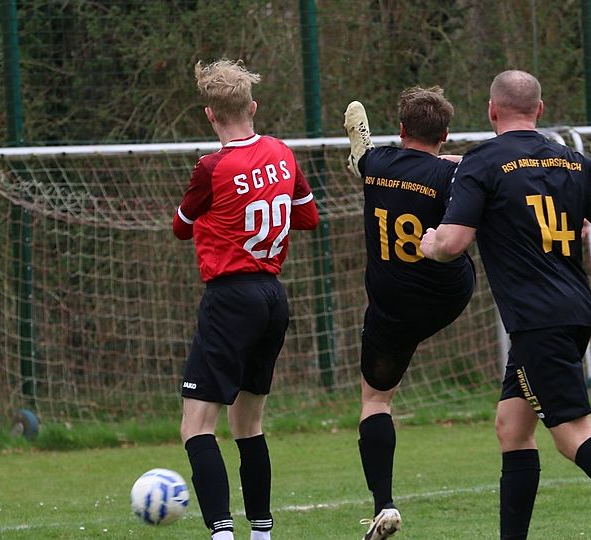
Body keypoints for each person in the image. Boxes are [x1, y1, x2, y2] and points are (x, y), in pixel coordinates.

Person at [418, 69, 591, 540]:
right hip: (570, 312)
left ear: (491, 110)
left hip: (536, 321)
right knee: (512, 428)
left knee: (573, 438)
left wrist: (432, 245)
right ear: (540, 110)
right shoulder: (575, 163)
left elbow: (453, 242)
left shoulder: (483, 163)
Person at [173, 59, 320, 540]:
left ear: (210, 115)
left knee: (197, 426)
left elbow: (180, 227)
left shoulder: (210, 168)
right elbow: (308, 218)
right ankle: (261, 532)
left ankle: (221, 533)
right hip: (273, 297)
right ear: (253, 108)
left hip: (230, 297)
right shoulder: (282, 152)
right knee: (248, 425)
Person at [343, 87, 475, 540]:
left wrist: (362, 150)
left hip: (392, 304)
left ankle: (384, 504)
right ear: (445, 135)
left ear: (401, 130)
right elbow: (469, 172)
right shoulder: (453, 175)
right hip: (446, 296)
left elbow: (364, 160)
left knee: (376, 401)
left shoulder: (377, 164)